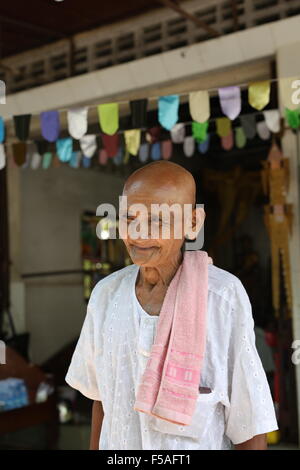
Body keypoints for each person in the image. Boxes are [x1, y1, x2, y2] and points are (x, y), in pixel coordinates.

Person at [65, 160, 278, 450]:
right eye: (129, 217)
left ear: (192, 223)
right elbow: (101, 402)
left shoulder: (221, 297)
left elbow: (249, 421)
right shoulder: (106, 296)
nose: (138, 233)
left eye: (156, 220)